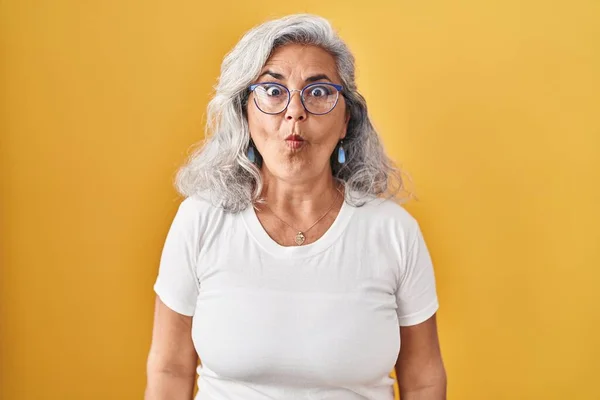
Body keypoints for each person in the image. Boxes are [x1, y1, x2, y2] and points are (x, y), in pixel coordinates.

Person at [145, 13, 447, 400]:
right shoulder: (200, 221)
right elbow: (170, 368)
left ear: (345, 121)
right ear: (245, 113)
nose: (294, 112)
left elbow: (423, 377)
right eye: (272, 90)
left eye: (318, 92)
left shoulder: (393, 231)